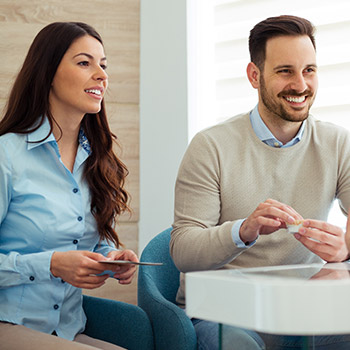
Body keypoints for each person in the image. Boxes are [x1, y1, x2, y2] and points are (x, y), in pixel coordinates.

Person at [170, 15, 350, 350]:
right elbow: (183, 251)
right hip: (225, 312)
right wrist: (244, 230)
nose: (301, 85)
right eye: (285, 71)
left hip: (306, 310)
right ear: (255, 76)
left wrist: (346, 248)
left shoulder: (337, 143)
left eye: (309, 70)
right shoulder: (211, 146)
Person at [0, 22, 138, 349]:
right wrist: (51, 265)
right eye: (84, 62)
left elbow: (91, 246)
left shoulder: (99, 162)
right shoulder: (7, 155)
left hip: (66, 329)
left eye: (103, 65)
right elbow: (59, 260)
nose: (101, 75)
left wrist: (110, 258)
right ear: (48, 72)